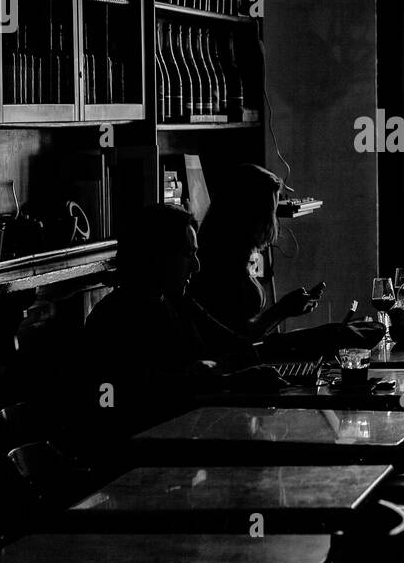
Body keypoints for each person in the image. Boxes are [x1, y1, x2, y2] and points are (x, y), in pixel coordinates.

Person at [65, 203, 285, 462]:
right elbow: (123, 397)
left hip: (179, 443)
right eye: (187, 255)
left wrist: (313, 339)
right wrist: (227, 380)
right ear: (157, 256)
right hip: (139, 462)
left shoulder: (174, 302)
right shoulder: (114, 320)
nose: (197, 266)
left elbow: (232, 345)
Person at [186, 163, 381, 358]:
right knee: (343, 337)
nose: (274, 223)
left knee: (353, 331)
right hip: (239, 366)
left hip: (251, 355)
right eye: (269, 213)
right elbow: (233, 339)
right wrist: (282, 310)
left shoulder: (241, 254)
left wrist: (286, 310)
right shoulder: (215, 263)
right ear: (246, 214)